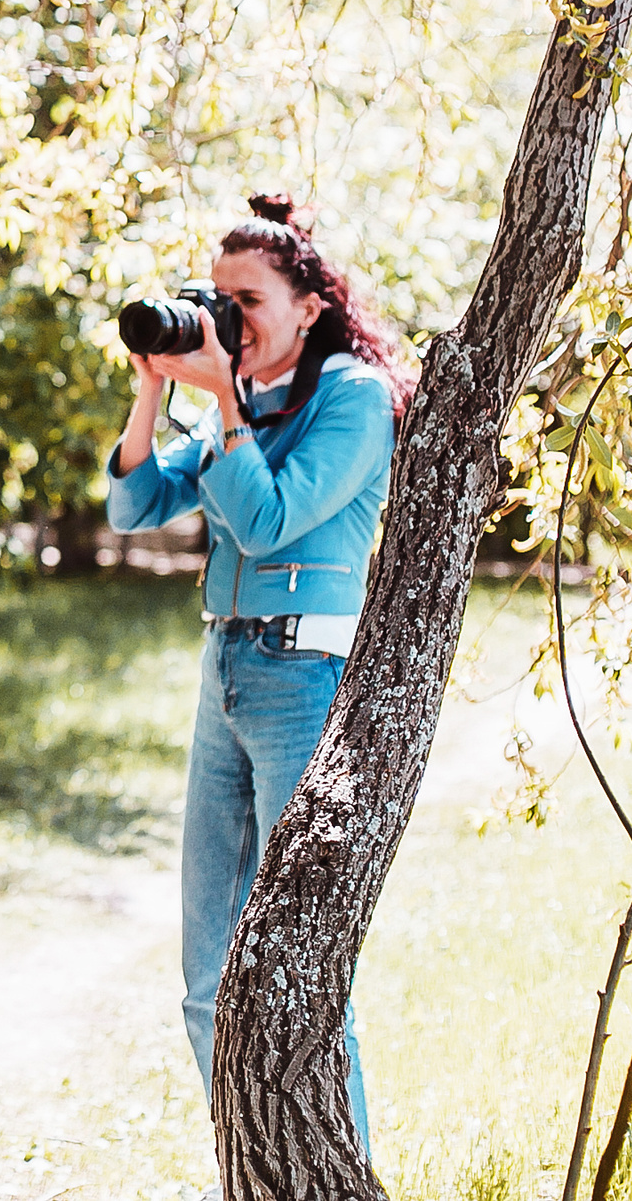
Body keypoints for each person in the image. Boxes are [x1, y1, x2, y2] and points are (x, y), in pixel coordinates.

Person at [106, 193, 413, 1156]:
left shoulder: (349, 398)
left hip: (304, 675)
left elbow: (275, 520)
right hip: (226, 667)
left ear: (309, 306)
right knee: (206, 975)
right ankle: (259, 1168)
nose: (228, 320)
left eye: (250, 301)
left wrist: (221, 401)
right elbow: (132, 503)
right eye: (217, 300)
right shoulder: (241, 404)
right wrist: (156, 388)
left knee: (309, 971)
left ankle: (340, 1172)